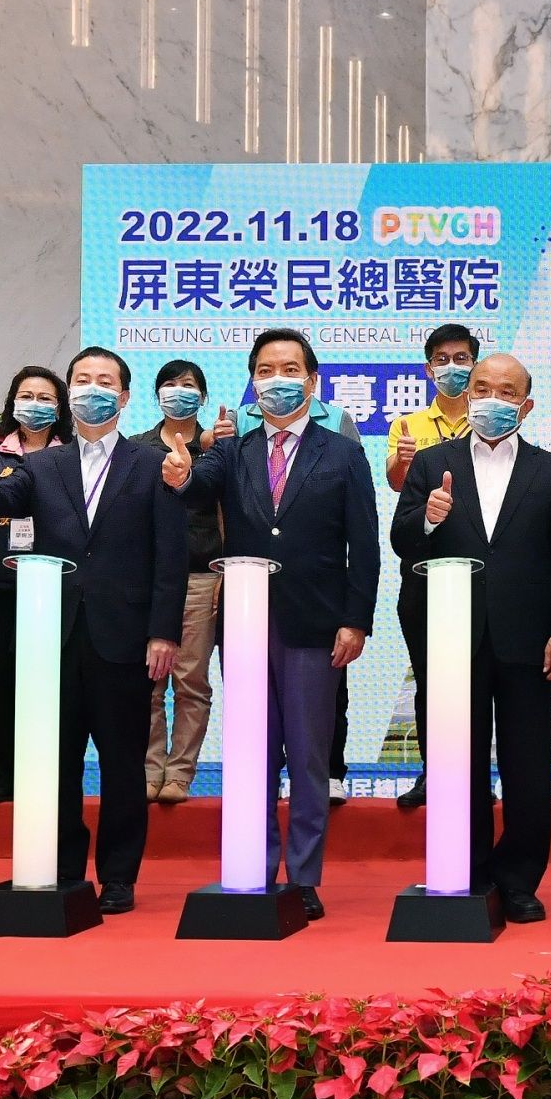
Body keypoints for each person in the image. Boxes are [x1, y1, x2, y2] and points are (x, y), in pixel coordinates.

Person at [0, 347, 186, 914]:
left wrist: (163, 632)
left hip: (124, 635)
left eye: (104, 381)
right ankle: (63, 867)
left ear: (124, 397)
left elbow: (170, 554)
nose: (91, 389)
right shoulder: (42, 465)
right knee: (54, 761)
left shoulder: (152, 462)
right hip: (51, 638)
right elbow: (0, 502)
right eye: (82, 380)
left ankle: (119, 876)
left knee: (122, 763)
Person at [161, 328, 381, 920]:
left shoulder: (342, 453)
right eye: (264, 371)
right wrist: (182, 473)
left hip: (315, 623)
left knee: (308, 755)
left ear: (312, 381)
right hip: (246, 623)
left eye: (288, 370)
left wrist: (356, 620)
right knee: (252, 752)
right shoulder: (233, 451)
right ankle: (254, 868)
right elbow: (195, 486)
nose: (276, 380)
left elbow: (364, 544)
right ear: (252, 383)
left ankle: (304, 876)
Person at [391, 353, 551, 923]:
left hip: (527, 638)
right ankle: (466, 870)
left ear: (526, 405)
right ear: (468, 396)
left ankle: (519, 881)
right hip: (452, 638)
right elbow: (402, 540)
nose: (491, 399)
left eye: (506, 391)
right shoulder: (432, 463)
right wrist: (428, 516)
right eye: (481, 388)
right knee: (458, 761)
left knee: (527, 766)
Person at [387, 323, 480, 810]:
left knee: (478, 681)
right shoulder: (409, 425)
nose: (452, 367)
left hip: (481, 571)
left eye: (462, 358)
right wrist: (404, 462)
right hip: (424, 567)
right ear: (428, 369)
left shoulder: (490, 419)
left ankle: (475, 776)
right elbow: (397, 485)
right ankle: (433, 773)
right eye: (442, 359)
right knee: (430, 680)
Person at [0, 365, 74, 803]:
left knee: (49, 683)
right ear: (13, 402)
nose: (35, 405)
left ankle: (44, 769)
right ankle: (2, 772)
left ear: (60, 407)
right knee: (0, 681)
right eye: (27, 396)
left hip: (55, 587)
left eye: (45, 397)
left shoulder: (72, 455)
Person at [130, 360, 226, 805]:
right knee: (147, 680)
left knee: (191, 680)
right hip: (147, 582)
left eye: (188, 385)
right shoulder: (137, 449)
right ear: (157, 395)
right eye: (169, 384)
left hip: (201, 576)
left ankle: (180, 774)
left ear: (202, 397)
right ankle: (149, 770)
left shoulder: (218, 449)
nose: (178, 391)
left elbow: (230, 513)